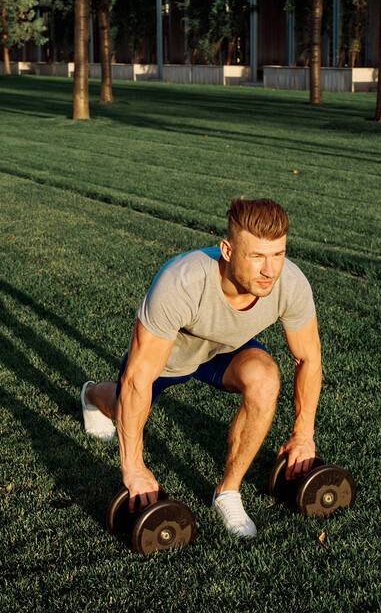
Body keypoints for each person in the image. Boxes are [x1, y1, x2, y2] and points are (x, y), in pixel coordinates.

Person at [80, 198, 323, 538]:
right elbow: (138, 379)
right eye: (256, 256)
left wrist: (303, 435)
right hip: (170, 359)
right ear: (227, 250)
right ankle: (92, 395)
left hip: (225, 353)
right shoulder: (182, 282)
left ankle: (228, 492)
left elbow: (308, 359)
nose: (270, 270)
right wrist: (133, 467)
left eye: (278, 254)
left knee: (265, 377)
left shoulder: (290, 283)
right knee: (124, 405)